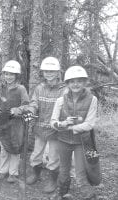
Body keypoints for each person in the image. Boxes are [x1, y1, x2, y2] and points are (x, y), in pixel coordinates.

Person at [50, 66, 97, 199]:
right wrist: (62, 124)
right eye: (72, 81)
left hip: (82, 141)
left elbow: (90, 124)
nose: (75, 84)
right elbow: (53, 122)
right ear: (67, 83)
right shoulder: (60, 100)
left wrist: (70, 127)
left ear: (84, 82)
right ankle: (62, 192)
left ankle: (88, 194)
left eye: (79, 81)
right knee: (64, 170)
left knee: (80, 172)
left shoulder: (92, 99)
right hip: (63, 140)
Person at [26, 57, 66, 193]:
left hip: (55, 130)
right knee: (36, 154)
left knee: (54, 156)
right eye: (46, 71)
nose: (49, 73)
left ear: (58, 72)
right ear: (42, 72)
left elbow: (65, 108)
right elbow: (34, 103)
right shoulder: (39, 88)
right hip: (40, 128)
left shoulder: (64, 90)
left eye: (52, 71)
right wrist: (31, 111)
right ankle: (36, 174)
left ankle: (52, 180)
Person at [0, 60, 29, 183]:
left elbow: (26, 105)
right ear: (3, 74)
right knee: (4, 147)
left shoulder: (21, 89)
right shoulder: (0, 88)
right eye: (6, 74)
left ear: (17, 75)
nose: (8, 76)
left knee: (15, 147)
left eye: (12, 74)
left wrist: (16, 110)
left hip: (16, 123)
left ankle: (13, 172)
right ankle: (3, 170)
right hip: (3, 123)